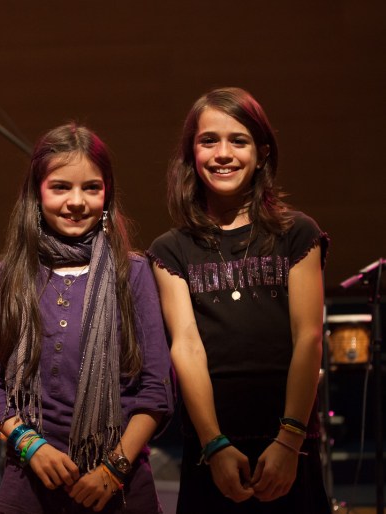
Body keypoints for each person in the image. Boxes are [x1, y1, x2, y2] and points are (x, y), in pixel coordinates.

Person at [148, 87, 331, 513]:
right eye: (208, 140)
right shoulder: (170, 249)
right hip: (211, 451)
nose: (223, 153)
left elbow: (308, 339)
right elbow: (187, 347)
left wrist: (289, 440)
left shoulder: (297, 234)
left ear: (263, 153)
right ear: (191, 153)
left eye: (239, 140)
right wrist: (214, 444)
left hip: (290, 442)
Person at [0, 123, 174, 514]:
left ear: (108, 194)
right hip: (29, 483)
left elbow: (156, 390)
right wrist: (29, 444)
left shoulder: (133, 272)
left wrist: (113, 468)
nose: (76, 201)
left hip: (119, 485)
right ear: (36, 193)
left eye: (91, 187)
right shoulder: (9, 276)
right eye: (60, 187)